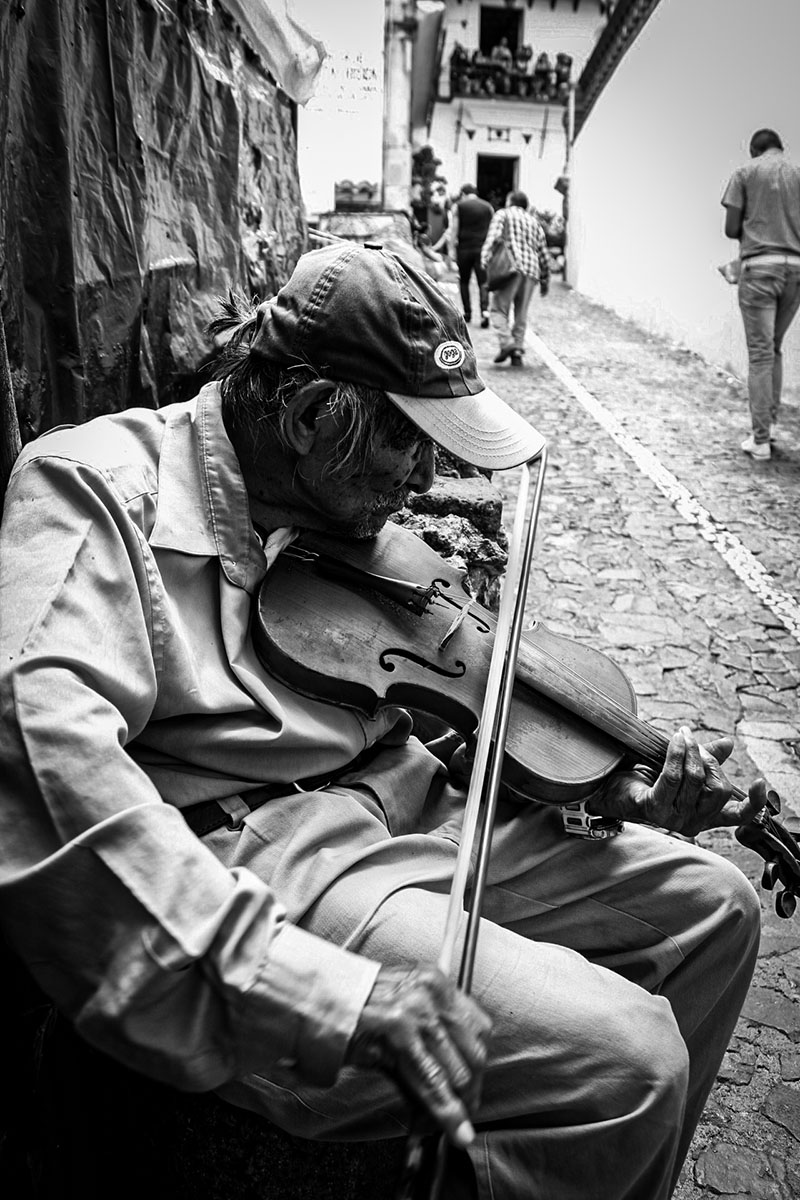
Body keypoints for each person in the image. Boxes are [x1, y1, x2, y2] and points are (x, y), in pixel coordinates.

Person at [0, 242, 767, 1200]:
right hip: (277, 851)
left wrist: (615, 790)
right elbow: (47, 774)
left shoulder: (346, 522)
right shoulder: (97, 489)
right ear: (316, 414)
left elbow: (443, 715)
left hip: (415, 804)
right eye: (408, 442)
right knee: (629, 1060)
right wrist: (328, 995)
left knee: (716, 912)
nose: (425, 478)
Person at [722, 127, 800, 461]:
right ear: (780, 148)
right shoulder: (797, 174)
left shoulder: (745, 173)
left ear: (754, 150)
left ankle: (761, 439)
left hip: (760, 270)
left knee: (760, 353)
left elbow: (730, 228)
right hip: (795, 269)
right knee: (775, 348)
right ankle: (771, 422)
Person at [481, 190, 551, 366]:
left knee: (498, 309)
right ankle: (518, 350)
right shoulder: (534, 222)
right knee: (521, 313)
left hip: (510, 268)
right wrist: (545, 278)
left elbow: (493, 238)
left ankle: (507, 343)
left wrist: (485, 261)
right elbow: (543, 252)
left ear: (509, 201)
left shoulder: (503, 214)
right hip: (531, 270)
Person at [450, 183, 494, 328]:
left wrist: (451, 250)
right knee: (483, 281)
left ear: (463, 194)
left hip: (464, 248)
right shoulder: (488, 207)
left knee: (464, 281)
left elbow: (454, 229)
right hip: (482, 249)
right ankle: (485, 312)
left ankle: (467, 313)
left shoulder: (459, 206)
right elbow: (492, 230)